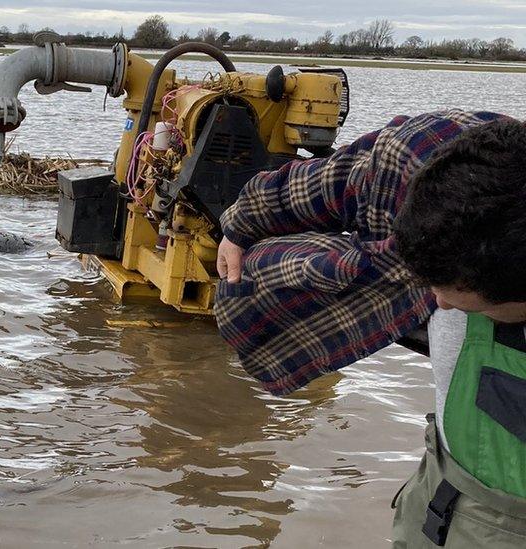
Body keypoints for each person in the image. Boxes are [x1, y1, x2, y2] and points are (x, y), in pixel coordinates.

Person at [214, 109, 526, 547]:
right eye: (428, 284)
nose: (437, 303)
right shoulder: (449, 163)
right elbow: (330, 181)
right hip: (437, 494)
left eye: (455, 296)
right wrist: (241, 226)